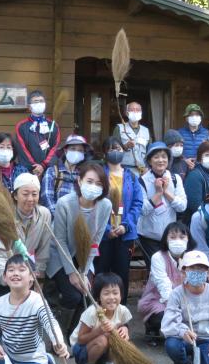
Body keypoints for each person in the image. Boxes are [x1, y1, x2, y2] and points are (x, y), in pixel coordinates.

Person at [47, 162, 112, 335]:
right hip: (60, 255)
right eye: (89, 181)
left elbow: (95, 241)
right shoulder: (65, 203)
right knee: (73, 295)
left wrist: (83, 271)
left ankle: (75, 335)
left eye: (99, 184)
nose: (93, 187)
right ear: (79, 180)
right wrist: (72, 273)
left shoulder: (105, 205)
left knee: (87, 292)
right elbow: (59, 239)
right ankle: (58, 334)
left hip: (84, 256)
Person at [0, 172, 52, 312]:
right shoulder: (4, 216)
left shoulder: (44, 214)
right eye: (25, 194)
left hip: (25, 276)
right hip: (0, 275)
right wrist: (11, 277)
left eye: (34, 194)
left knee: (21, 319)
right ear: (15, 195)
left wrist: (39, 279)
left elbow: (43, 249)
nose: (30, 199)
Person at [95, 137, 144, 302]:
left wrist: (126, 225)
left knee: (122, 273)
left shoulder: (131, 176)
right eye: (110, 149)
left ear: (123, 151)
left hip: (125, 235)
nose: (115, 152)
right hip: (104, 234)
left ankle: (120, 311)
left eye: (117, 148)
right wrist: (107, 228)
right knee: (101, 271)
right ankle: (99, 309)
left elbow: (138, 203)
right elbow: (94, 203)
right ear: (104, 153)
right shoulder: (99, 175)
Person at [137, 222, 194, 344]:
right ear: (165, 239)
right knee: (163, 317)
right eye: (172, 237)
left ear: (188, 239)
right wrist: (177, 309)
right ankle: (152, 329)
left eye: (182, 237)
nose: (177, 240)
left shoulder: (193, 258)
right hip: (158, 299)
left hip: (187, 299)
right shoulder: (158, 257)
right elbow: (164, 286)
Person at [70, 273, 132, 364]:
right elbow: (81, 339)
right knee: (103, 339)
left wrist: (125, 329)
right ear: (98, 297)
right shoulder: (92, 312)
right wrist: (99, 331)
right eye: (106, 293)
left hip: (102, 351)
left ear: (121, 295)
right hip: (82, 350)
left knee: (119, 336)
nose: (111, 297)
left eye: (115, 293)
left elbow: (123, 324)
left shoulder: (122, 310)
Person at [137, 142, 188, 262]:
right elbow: (142, 209)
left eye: (164, 157)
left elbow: (182, 206)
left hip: (170, 237)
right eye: (156, 157)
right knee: (154, 271)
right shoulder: (141, 181)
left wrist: (166, 193)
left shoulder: (175, 179)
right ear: (149, 161)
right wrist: (158, 193)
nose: (161, 160)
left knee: (171, 270)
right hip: (148, 237)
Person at [14, 90, 61, 178]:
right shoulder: (21, 126)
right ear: (29, 107)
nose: (39, 103)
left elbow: (55, 148)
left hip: (48, 171)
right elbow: (22, 149)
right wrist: (35, 166)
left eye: (41, 101)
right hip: (29, 170)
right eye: (36, 101)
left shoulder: (53, 125)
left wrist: (43, 165)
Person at [40, 134, 90, 214]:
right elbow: (47, 197)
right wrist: (60, 217)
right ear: (65, 150)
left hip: (79, 220)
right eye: (73, 149)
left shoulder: (84, 174)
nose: (76, 152)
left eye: (80, 150)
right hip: (56, 221)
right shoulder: (53, 172)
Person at [112, 100, 150, 172]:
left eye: (138, 110)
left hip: (143, 170)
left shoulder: (146, 130)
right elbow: (113, 149)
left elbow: (149, 150)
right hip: (124, 168)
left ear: (141, 113)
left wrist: (148, 167)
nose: (135, 112)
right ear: (127, 113)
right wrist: (125, 146)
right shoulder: (119, 128)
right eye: (132, 110)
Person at [177, 103, 209, 171]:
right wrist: (185, 160)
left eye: (197, 115)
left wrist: (198, 161)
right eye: (191, 115)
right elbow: (174, 151)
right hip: (183, 169)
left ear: (200, 118)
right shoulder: (179, 133)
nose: (194, 117)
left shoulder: (207, 134)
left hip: (202, 169)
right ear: (186, 118)